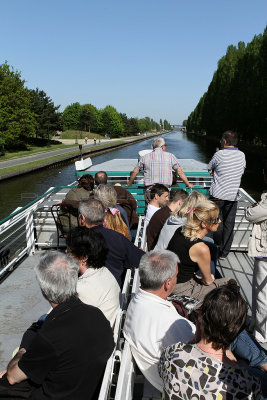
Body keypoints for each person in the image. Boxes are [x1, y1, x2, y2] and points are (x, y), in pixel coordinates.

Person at [123, 251, 267, 394]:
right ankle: (262, 363)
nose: (176, 279)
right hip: (203, 375)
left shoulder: (137, 302)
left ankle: (262, 361)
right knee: (233, 331)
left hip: (174, 373)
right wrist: (226, 353)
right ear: (167, 283)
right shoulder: (170, 322)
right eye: (176, 276)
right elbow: (201, 347)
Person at [0, 251, 114, 400]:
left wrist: (22, 351)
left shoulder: (50, 335)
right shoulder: (97, 315)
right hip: (88, 389)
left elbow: (13, 377)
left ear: (44, 291)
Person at [159, 284, 262, 400]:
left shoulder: (172, 354)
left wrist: (197, 337)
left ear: (200, 317)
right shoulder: (247, 385)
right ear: (236, 332)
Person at [167, 200, 229, 305]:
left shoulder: (180, 230)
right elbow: (208, 281)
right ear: (204, 224)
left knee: (212, 248)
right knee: (230, 282)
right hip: (182, 288)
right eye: (216, 219)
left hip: (171, 280)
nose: (219, 221)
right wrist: (210, 277)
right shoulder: (201, 248)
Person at [78, 199, 144, 287]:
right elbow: (140, 259)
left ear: (82, 218)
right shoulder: (117, 237)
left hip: (85, 291)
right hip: (114, 291)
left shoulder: (76, 242)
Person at [66, 227, 120, 328]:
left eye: (69, 250)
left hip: (97, 336)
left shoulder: (83, 288)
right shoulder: (105, 271)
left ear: (83, 257)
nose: (66, 252)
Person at [208, 130, 246, 259]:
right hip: (232, 195)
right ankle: (224, 253)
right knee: (229, 224)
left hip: (217, 195)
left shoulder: (219, 154)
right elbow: (241, 171)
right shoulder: (242, 155)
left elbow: (209, 168)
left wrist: (214, 172)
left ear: (224, 141)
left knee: (214, 221)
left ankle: (212, 247)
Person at [245, 160, 267, 345]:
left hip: (265, 253)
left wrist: (250, 208)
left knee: (261, 294)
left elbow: (252, 215)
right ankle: (255, 324)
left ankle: (261, 333)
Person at [126, 137, 193, 194]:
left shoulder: (145, 157)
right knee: (164, 209)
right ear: (162, 147)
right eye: (165, 145)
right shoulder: (170, 156)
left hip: (150, 190)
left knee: (150, 208)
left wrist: (130, 183)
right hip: (164, 190)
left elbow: (135, 171)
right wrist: (187, 184)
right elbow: (179, 172)